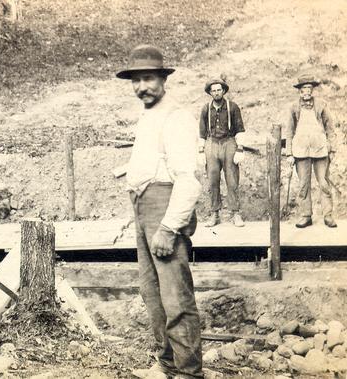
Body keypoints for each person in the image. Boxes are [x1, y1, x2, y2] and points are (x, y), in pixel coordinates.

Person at [116, 45, 203, 379]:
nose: (142, 87)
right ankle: (166, 364)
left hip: (163, 208)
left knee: (175, 295)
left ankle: (189, 372)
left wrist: (168, 227)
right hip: (142, 205)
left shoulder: (176, 116)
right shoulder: (148, 114)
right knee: (152, 292)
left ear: (164, 79)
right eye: (136, 81)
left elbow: (187, 181)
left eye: (149, 79)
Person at [285, 75, 337, 228]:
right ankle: (306, 216)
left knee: (324, 183)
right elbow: (289, 131)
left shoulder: (321, 105)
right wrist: (289, 153)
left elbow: (330, 128)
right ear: (299, 92)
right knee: (303, 185)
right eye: (303, 89)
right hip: (300, 151)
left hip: (320, 150)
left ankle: (328, 215)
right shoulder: (294, 107)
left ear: (312, 90)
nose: (307, 92)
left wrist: (332, 148)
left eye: (309, 88)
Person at [198, 77, 246, 227]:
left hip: (229, 142)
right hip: (212, 143)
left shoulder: (232, 107)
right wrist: (200, 151)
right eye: (214, 90)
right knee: (212, 180)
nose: (217, 93)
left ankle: (235, 213)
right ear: (210, 93)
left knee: (232, 180)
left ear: (223, 91)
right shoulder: (206, 108)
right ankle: (214, 214)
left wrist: (240, 148)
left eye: (219, 90)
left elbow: (240, 129)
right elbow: (202, 132)